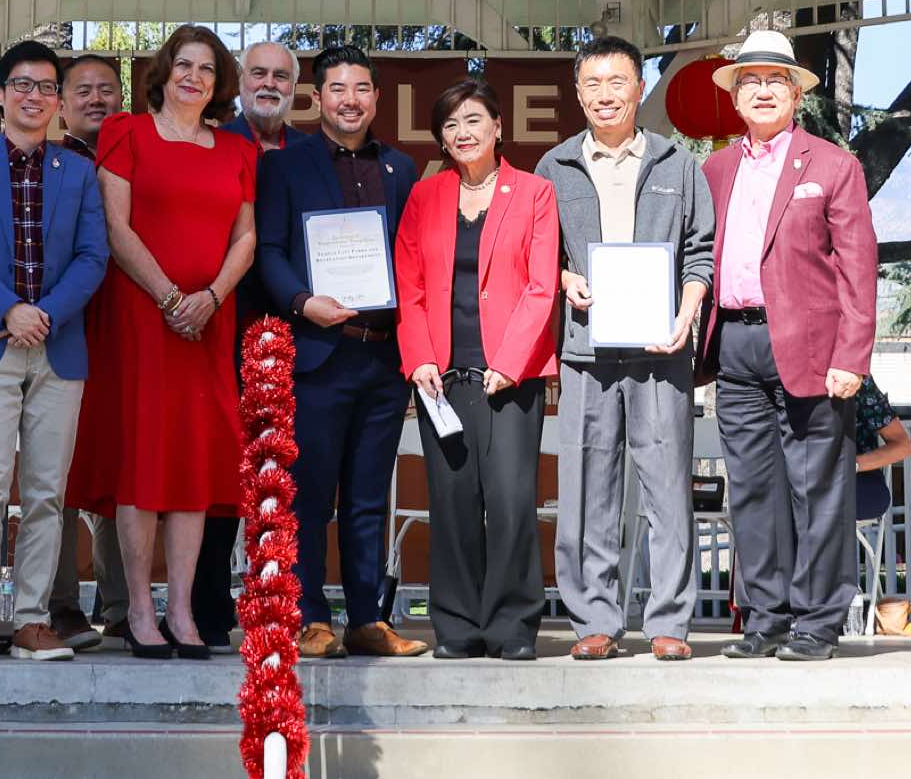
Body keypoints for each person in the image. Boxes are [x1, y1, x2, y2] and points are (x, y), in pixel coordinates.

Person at [65, 24, 258, 660]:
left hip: (208, 323)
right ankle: (140, 611)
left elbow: (246, 238)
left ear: (218, 83)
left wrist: (211, 298)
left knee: (193, 464)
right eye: (183, 64)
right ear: (164, 72)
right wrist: (172, 298)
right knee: (144, 461)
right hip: (142, 318)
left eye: (206, 69)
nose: (193, 77)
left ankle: (181, 609)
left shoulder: (237, 150)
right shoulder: (127, 133)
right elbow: (115, 228)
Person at [698, 29, 877, 663]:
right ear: (735, 98)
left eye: (777, 80)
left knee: (817, 489)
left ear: (797, 94)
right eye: (750, 81)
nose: (763, 91)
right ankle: (765, 618)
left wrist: (852, 358)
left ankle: (818, 623)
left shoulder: (832, 165)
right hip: (735, 343)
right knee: (751, 490)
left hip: (813, 351)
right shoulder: (714, 170)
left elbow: (859, 268)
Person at [537, 36, 715, 663]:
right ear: (578, 93)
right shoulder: (554, 167)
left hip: (661, 350)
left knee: (668, 489)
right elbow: (538, 254)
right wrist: (564, 279)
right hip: (586, 351)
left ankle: (669, 622)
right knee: (587, 489)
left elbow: (700, 252)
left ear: (640, 88)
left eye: (618, 82)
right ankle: (595, 620)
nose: (606, 95)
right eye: (593, 84)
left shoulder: (677, 164)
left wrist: (687, 313)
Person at [0, 40, 110, 664]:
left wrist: (46, 314)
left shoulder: (78, 171)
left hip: (57, 348)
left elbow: (93, 256)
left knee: (46, 494)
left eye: (46, 87)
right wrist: (9, 310)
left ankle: (34, 619)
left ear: (58, 102)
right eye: (23, 85)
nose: (35, 96)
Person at [255, 44, 429, 659]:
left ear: (376, 97)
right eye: (337, 89)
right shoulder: (285, 166)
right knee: (310, 494)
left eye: (360, 89)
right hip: (318, 352)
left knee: (368, 497)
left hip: (382, 358)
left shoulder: (401, 169)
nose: (349, 100)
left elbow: (412, 257)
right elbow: (268, 251)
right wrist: (303, 302)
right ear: (317, 98)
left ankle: (366, 618)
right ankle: (309, 618)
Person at [396, 80, 561, 660]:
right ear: (441, 139)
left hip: (511, 379)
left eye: (473, 120)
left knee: (512, 504)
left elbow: (542, 287)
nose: (462, 133)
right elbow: (410, 286)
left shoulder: (535, 192)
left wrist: (510, 363)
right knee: (453, 504)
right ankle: (458, 627)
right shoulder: (426, 196)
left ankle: (512, 628)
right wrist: (419, 357)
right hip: (442, 379)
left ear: (497, 127)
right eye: (450, 125)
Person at [194, 39, 307, 653]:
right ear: (238, 85)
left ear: (295, 88)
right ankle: (207, 608)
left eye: (280, 76)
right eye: (258, 73)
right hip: (219, 327)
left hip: (302, 332)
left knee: (288, 477)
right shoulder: (212, 144)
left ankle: (289, 609)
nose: (269, 84)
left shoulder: (311, 154)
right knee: (220, 473)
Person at [48, 52, 127, 650]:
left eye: (107, 89)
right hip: (63, 325)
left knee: (119, 468)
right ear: (60, 104)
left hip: (125, 329)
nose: (96, 99)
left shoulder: (138, 159)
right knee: (58, 471)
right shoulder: (47, 164)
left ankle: (122, 605)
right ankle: (58, 605)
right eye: (83, 90)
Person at [852, 375, 911, 524]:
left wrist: (852, 465)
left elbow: (903, 447)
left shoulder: (857, 377)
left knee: (873, 499)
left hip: (855, 478)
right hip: (804, 476)